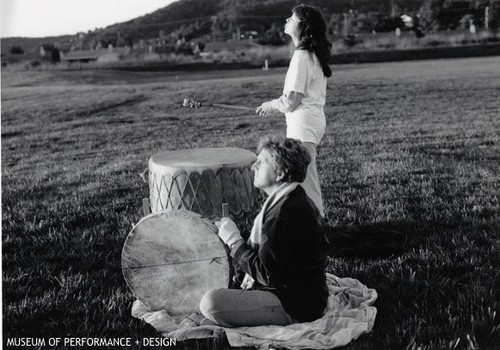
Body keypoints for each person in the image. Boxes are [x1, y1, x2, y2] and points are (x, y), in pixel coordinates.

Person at [199, 136, 329, 327]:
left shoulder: (285, 212)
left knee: (211, 303)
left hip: (295, 305)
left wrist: (234, 240)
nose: (254, 167)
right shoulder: (291, 199)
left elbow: (265, 273)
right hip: (303, 294)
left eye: (262, 162)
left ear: (280, 173)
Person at [256, 4, 332, 217]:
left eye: (292, 18)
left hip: (304, 125)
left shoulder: (302, 56)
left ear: (303, 25)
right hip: (310, 123)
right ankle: (310, 224)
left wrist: (270, 105)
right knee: (301, 178)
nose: (287, 20)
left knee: (306, 181)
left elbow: (291, 100)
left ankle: (318, 228)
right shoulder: (311, 54)